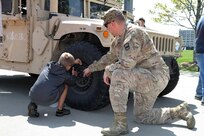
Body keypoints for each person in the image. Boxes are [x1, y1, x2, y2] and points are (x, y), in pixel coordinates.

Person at [83, 8, 195, 135]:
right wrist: (90, 68)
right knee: (142, 116)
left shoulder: (134, 33)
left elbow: (127, 63)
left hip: (156, 76)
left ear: (112, 23)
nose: (107, 30)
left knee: (118, 74)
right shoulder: (118, 41)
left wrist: (108, 70)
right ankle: (179, 111)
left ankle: (120, 124)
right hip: (144, 77)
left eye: (107, 27)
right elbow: (108, 58)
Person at [28, 52, 81, 117]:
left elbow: (62, 63)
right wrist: (74, 75)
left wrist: (72, 62)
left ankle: (32, 106)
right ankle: (60, 111)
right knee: (65, 86)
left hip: (32, 95)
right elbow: (73, 82)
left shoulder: (49, 65)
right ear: (69, 66)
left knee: (43, 85)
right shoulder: (64, 75)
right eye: (70, 65)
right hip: (47, 98)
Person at [194, 15, 204, 105]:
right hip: (203, 50)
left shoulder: (201, 18)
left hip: (199, 50)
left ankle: (199, 93)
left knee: (202, 73)